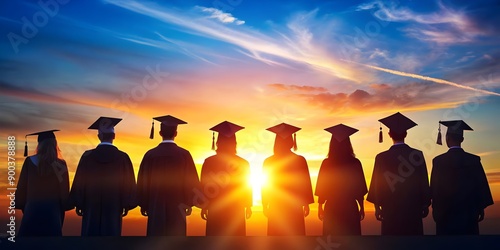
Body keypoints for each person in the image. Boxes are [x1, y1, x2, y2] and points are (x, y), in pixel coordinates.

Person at [70, 117, 137, 236]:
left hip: (90, 206)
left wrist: (79, 202)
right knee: (111, 239)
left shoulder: (87, 156)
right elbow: (128, 183)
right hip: (114, 206)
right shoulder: (122, 157)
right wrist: (125, 204)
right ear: (114, 136)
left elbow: (80, 181)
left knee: (91, 238)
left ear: (99, 136)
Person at [367, 112, 430, 235]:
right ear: (406, 134)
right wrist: (425, 204)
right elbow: (423, 181)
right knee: (412, 242)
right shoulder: (417, 155)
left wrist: (377, 207)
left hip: (390, 210)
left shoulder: (381, 157)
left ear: (389, 134)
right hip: (412, 208)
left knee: (392, 243)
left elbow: (377, 184)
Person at [137, 115, 200, 236]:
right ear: (176, 133)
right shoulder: (184, 155)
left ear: (160, 133)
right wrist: (189, 202)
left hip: (155, 205)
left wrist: (144, 203)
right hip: (179, 204)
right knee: (175, 239)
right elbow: (190, 181)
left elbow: (143, 181)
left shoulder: (150, 155)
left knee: (156, 237)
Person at [431, 120, 494, 235]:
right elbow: (481, 186)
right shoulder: (473, 160)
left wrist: (435, 210)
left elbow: (434, 188)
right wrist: (480, 208)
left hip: (445, 214)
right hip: (468, 213)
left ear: (447, 138)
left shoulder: (438, 161)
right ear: (462, 139)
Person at [200, 121, 252, 236]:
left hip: (216, 206)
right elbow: (246, 186)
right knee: (235, 240)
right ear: (234, 143)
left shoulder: (209, 161)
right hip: (236, 206)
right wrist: (248, 205)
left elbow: (204, 184)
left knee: (215, 239)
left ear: (218, 142)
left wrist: (204, 206)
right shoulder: (243, 163)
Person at [262, 123, 314, 235]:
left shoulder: (268, 161)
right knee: (294, 238)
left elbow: (265, 185)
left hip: (277, 205)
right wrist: (306, 202)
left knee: (276, 239)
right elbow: (305, 183)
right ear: (291, 141)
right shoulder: (299, 160)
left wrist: (265, 203)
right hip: (294, 205)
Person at [16, 130, 71, 236]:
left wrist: (25, 206)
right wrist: (63, 207)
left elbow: (22, 188)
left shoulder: (29, 162)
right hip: (53, 212)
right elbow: (64, 192)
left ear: (39, 145)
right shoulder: (61, 164)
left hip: (32, 210)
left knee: (29, 243)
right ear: (54, 144)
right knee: (51, 244)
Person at [316, 124, 367, 236]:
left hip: (332, 208)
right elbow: (359, 188)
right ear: (348, 144)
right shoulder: (355, 163)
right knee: (351, 240)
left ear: (332, 144)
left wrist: (320, 206)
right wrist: (361, 207)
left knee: (331, 239)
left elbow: (322, 187)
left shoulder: (327, 163)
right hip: (350, 208)